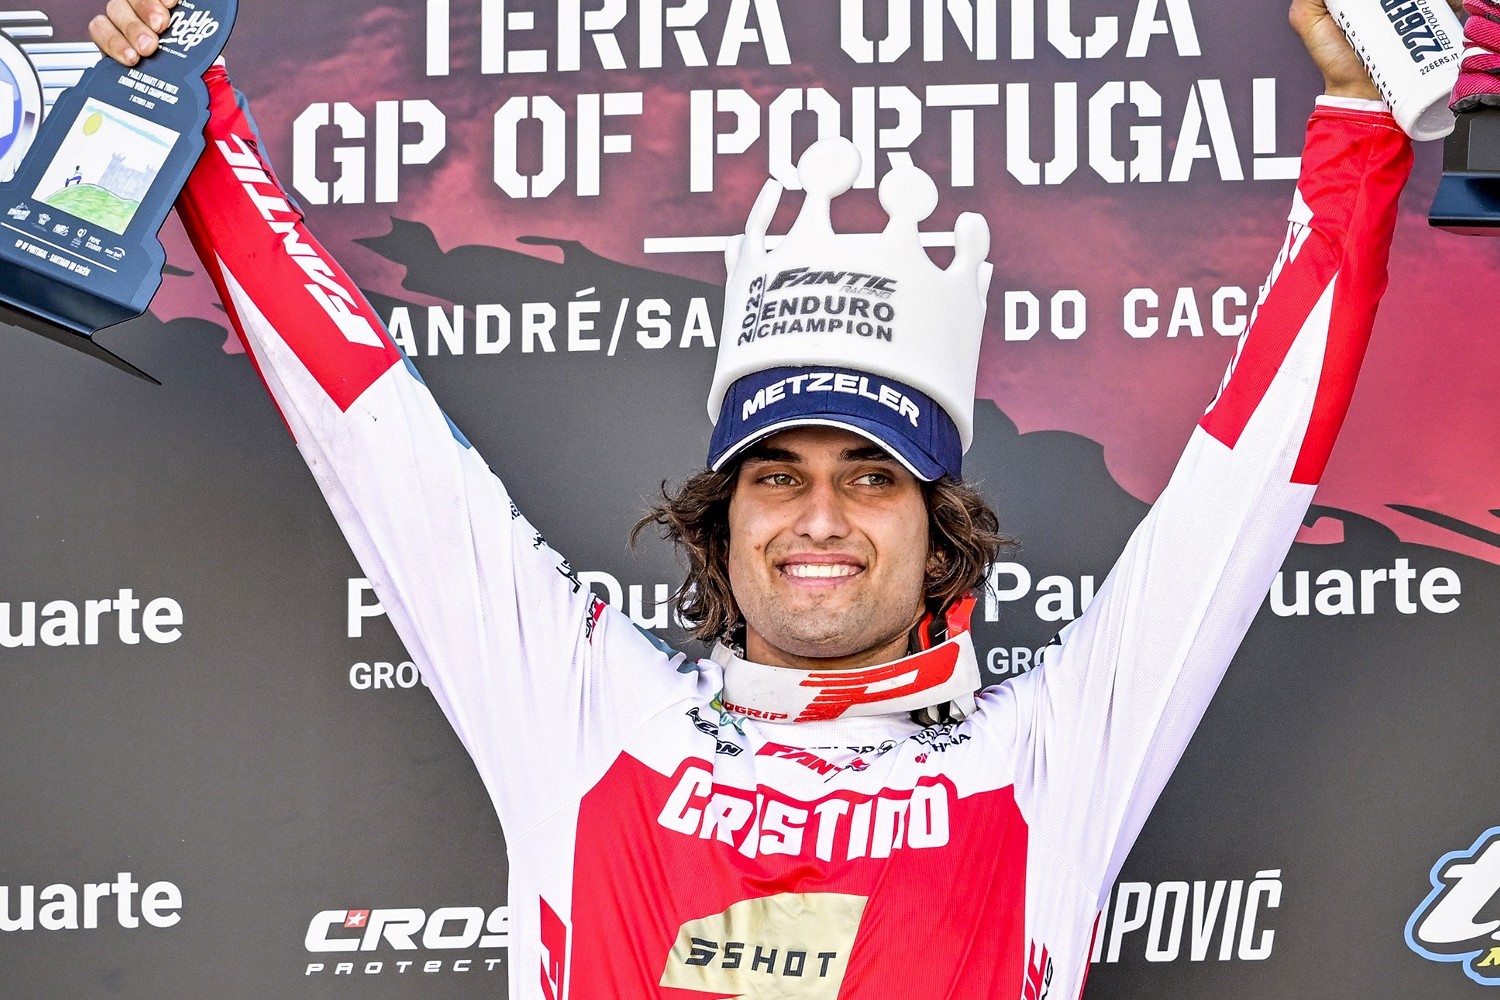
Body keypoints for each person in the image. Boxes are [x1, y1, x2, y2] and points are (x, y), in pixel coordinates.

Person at [86, 2, 1441, 996]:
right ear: (719, 529)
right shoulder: (585, 710)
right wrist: (194, 108)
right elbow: (370, 427)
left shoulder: (1046, 760)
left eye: (872, 477)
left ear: (940, 536)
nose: (821, 519)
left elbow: (1243, 483)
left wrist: (1361, 128)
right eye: (778, 476)